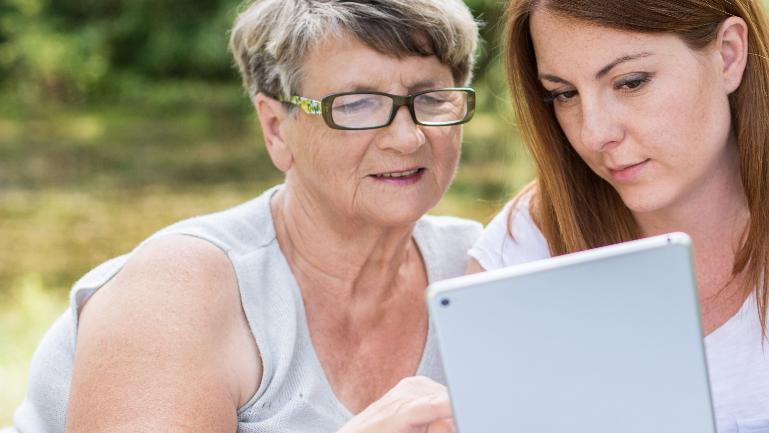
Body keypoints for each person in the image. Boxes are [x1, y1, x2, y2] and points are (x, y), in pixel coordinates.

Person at [10, 0, 480, 431]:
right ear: (276, 128)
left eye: (432, 98)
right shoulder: (176, 290)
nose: (409, 138)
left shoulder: (481, 267)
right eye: (356, 104)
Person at [467, 1, 769, 432]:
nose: (594, 133)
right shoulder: (522, 250)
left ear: (728, 55)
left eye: (630, 82)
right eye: (563, 94)